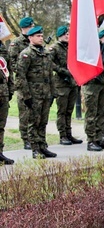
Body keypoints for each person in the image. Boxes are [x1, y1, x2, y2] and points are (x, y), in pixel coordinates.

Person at [16, 26, 57, 159]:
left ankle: (42, 146)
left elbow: (50, 74)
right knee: (34, 121)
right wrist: (26, 96)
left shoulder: (45, 53)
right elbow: (21, 76)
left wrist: (53, 92)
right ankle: (35, 148)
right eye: (38, 36)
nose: (41, 38)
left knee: (43, 121)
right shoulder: (26, 54)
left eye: (41, 35)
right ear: (30, 38)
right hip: (33, 94)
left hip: (45, 93)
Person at [80, 30, 104, 152]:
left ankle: (99, 138)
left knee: (102, 112)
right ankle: (91, 140)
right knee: (92, 113)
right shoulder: (90, 51)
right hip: (91, 85)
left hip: (103, 83)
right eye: (103, 37)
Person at [48, 25, 83, 145]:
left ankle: (69, 133)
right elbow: (49, 62)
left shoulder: (71, 47)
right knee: (62, 111)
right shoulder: (54, 48)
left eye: (68, 34)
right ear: (60, 36)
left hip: (72, 82)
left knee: (69, 110)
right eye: (65, 34)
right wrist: (61, 71)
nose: (67, 36)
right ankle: (62, 135)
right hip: (61, 83)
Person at [9, 17, 35, 149]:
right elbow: (12, 63)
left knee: (35, 112)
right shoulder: (16, 43)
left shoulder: (34, 42)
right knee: (24, 112)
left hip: (35, 83)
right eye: (31, 26)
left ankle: (35, 138)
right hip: (22, 82)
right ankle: (26, 139)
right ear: (24, 28)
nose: (33, 28)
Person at [0, 40, 12, 164]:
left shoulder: (2, 48)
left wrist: (11, 90)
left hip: (3, 93)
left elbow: (9, 70)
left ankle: (0, 153)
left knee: (1, 126)